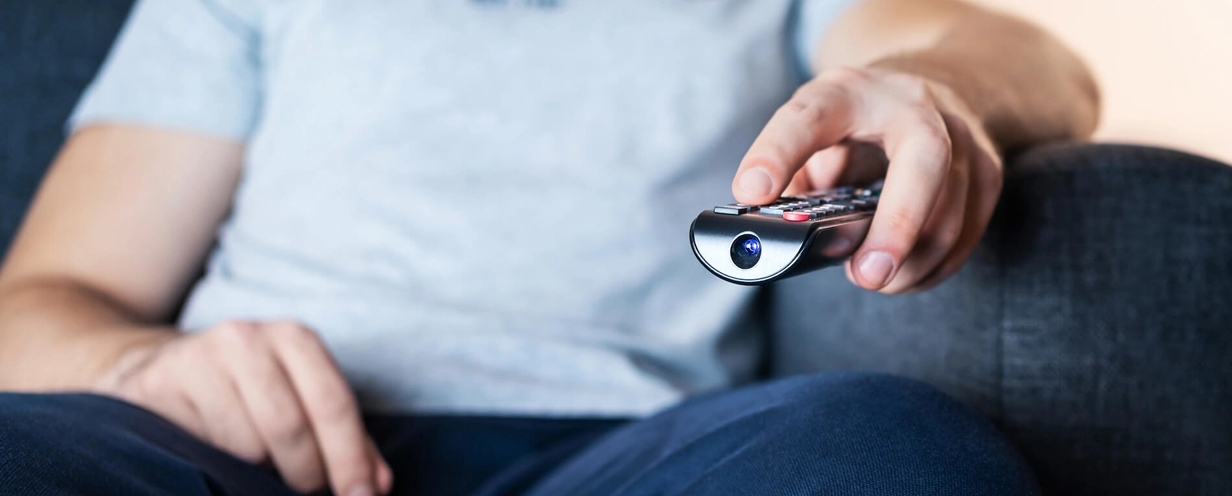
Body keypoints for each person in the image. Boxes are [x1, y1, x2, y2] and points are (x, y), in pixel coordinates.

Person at [0, 0, 1098, 494]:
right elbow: (42, 298)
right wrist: (131, 365)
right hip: (238, 448)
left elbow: (1034, 60)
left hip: (639, 451)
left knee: (891, 455)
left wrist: (942, 91)